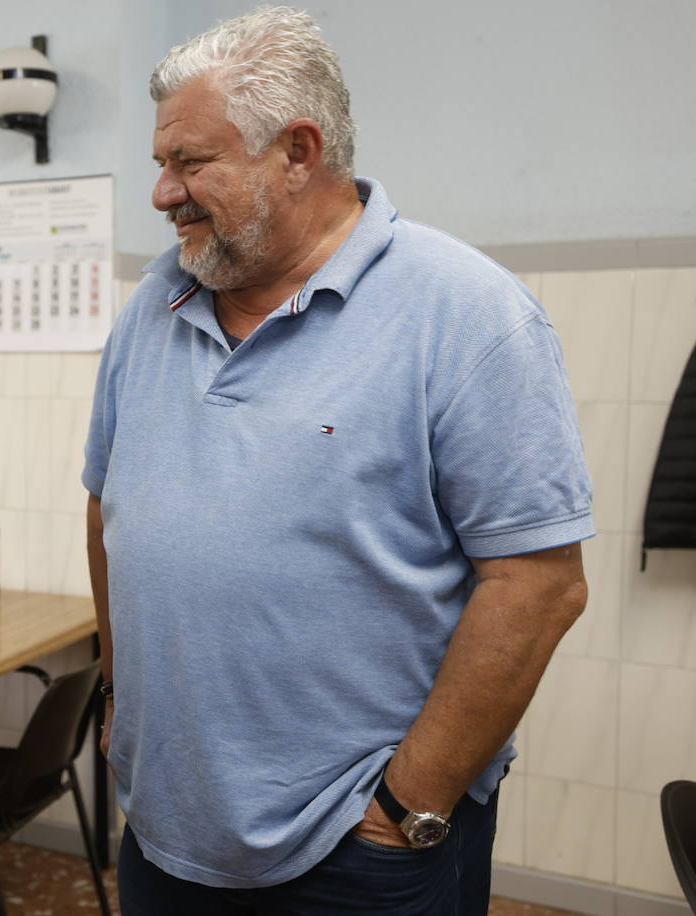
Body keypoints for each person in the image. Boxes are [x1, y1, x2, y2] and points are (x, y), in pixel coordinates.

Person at [83, 8, 592, 913]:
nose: (163, 193)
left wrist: (409, 805)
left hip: (358, 851)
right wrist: (122, 696)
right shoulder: (152, 308)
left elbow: (539, 584)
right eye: (161, 164)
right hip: (166, 828)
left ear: (298, 151)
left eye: (191, 162)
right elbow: (109, 509)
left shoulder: (468, 314)